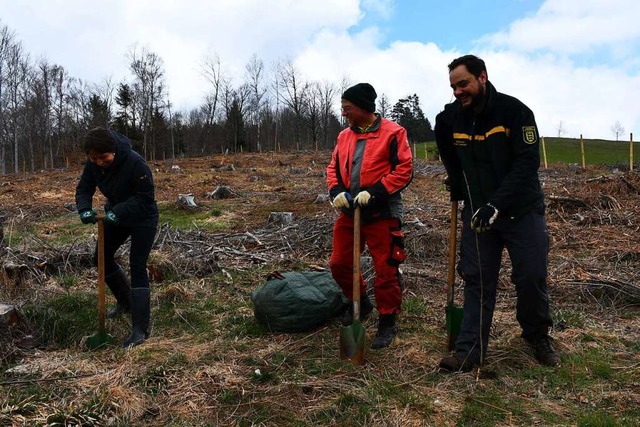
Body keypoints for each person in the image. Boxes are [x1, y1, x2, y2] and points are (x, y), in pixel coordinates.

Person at [434, 55, 559, 372]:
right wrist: (459, 184)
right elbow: (447, 147)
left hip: (521, 211)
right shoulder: (451, 119)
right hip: (479, 214)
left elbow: (526, 164)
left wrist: (497, 204)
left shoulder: (515, 112)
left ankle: (536, 336)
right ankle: (469, 350)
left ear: (482, 77)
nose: (458, 91)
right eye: (453, 86)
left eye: (463, 84)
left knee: (531, 276)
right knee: (477, 280)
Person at [327, 83, 413, 349]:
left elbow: (404, 170)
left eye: (348, 108)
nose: (344, 113)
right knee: (339, 263)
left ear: (364, 107)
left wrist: (375, 193)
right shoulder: (344, 136)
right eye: (343, 108)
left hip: (381, 213)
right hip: (349, 213)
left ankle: (387, 321)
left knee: (385, 269)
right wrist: (336, 191)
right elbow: (333, 168)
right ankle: (360, 302)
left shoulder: (394, 133)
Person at [75, 127, 159, 348]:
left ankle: (140, 329)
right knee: (101, 258)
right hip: (116, 216)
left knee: (137, 265)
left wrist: (118, 212)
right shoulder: (93, 165)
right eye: (93, 159)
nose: (99, 163)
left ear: (113, 150)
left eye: (103, 158)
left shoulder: (134, 162)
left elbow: (145, 197)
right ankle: (126, 302)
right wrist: (84, 208)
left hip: (142, 217)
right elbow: (84, 188)